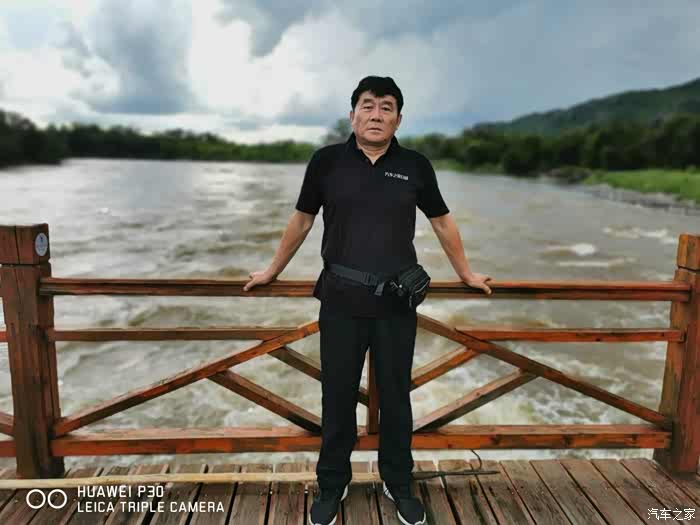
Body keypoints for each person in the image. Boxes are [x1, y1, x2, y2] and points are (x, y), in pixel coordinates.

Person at [244, 75, 493, 525]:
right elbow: (302, 220)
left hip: (397, 303)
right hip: (340, 300)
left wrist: (467, 274)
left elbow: (441, 222)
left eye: (386, 107)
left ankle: (398, 482)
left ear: (399, 119)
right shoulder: (326, 162)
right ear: (352, 114)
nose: (377, 114)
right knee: (337, 396)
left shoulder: (415, 166)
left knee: (396, 398)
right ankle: (332, 483)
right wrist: (271, 271)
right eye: (368, 105)